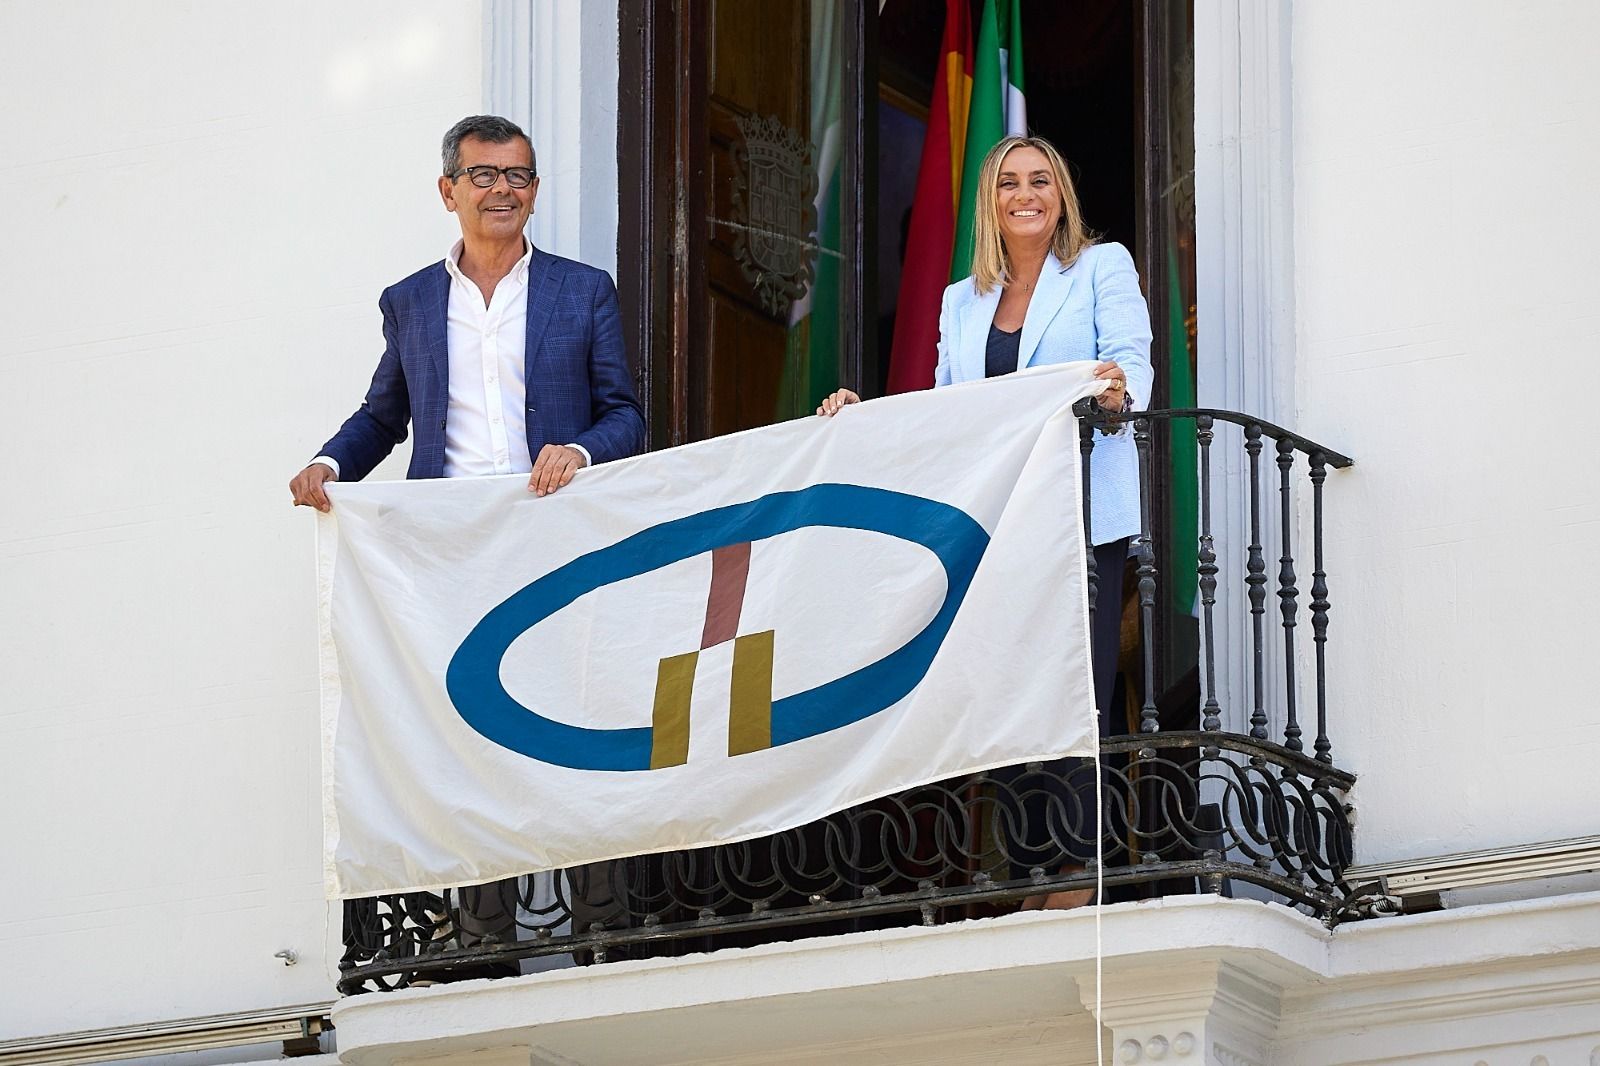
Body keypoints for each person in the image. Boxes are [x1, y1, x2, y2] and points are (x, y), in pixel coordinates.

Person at [291, 114, 647, 978]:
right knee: (469, 731)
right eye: (484, 175)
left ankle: (601, 934)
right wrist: (328, 462)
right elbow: (386, 413)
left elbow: (626, 414)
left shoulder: (581, 289)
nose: (503, 190)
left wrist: (583, 450)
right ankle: (485, 943)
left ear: (534, 192)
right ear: (448, 190)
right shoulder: (411, 301)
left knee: (578, 721)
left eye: (519, 176)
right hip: (449, 556)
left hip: (559, 543)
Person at [817, 134, 1153, 909]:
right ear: (991, 203)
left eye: (1041, 180)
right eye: (1009, 183)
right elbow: (948, 411)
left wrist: (1115, 391)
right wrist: (862, 419)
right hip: (997, 521)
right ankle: (1032, 867)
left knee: (1076, 683)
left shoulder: (1102, 267)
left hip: (1077, 513)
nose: (1025, 194)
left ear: (1061, 195)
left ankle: (1077, 867)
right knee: (1008, 685)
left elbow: (1130, 360)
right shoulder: (960, 300)